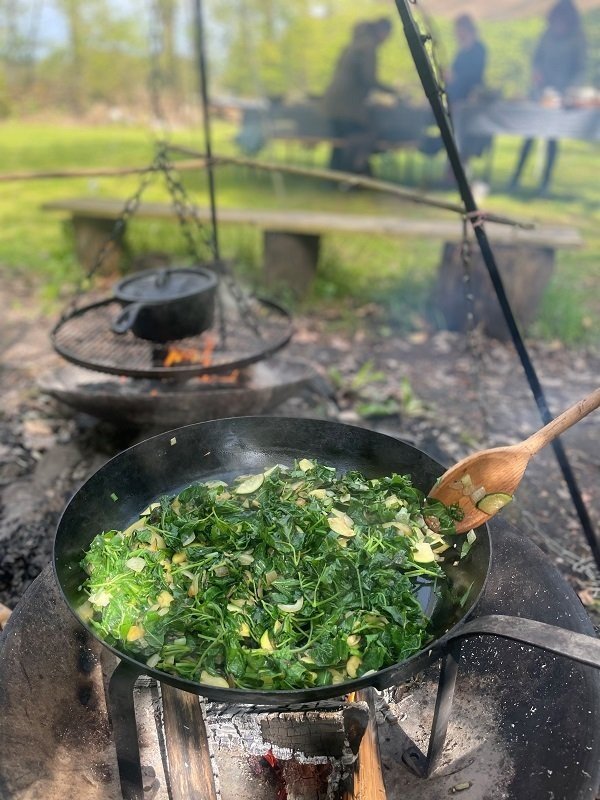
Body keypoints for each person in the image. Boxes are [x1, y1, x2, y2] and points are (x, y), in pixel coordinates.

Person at [508, 0, 586, 195]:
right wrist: (536, 72)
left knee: (552, 137)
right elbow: (537, 59)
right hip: (541, 91)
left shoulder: (576, 40)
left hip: (561, 93)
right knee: (530, 134)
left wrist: (569, 89)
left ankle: (545, 181)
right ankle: (516, 177)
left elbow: (579, 68)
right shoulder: (547, 36)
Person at [323, 18, 396, 175]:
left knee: (341, 139)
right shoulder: (368, 47)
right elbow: (368, 79)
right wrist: (392, 91)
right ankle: (355, 171)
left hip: (333, 103)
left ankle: (336, 174)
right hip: (347, 106)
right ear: (383, 31)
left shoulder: (353, 45)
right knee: (368, 133)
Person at [446, 14, 487, 106]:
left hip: (470, 94)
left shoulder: (479, 49)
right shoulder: (461, 51)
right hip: (456, 91)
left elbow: (475, 73)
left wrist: (455, 77)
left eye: (458, 30)